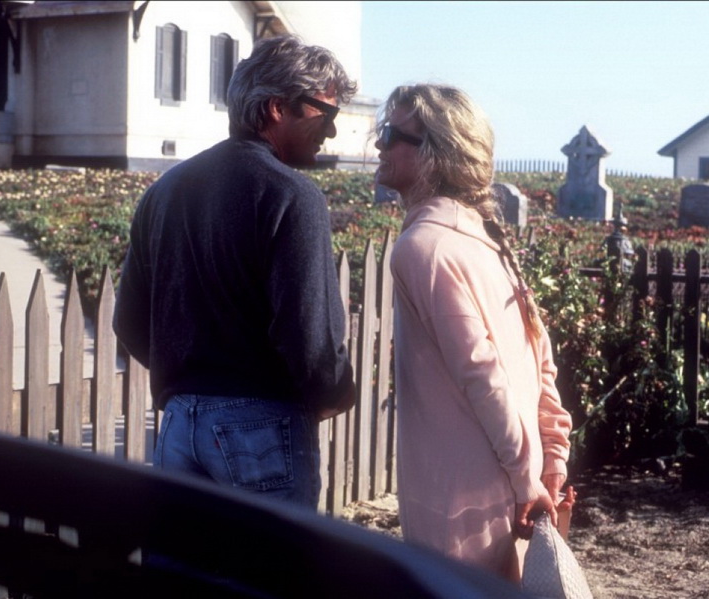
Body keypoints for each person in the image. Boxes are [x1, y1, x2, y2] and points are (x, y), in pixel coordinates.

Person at [113, 35, 357, 509]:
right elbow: (310, 340)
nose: (330, 131)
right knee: (272, 558)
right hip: (263, 425)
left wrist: (190, 383)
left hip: (179, 422)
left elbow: (129, 322)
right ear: (276, 108)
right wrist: (333, 394)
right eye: (325, 113)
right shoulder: (293, 195)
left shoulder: (164, 191)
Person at [375, 84, 573, 583]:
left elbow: (483, 377)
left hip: (457, 501)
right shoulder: (485, 243)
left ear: (435, 155)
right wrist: (550, 461)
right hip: (505, 487)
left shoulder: (423, 248)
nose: (378, 144)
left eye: (392, 134)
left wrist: (528, 480)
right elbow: (541, 361)